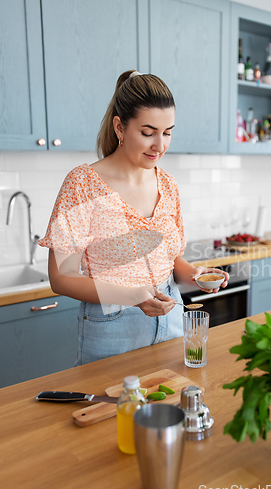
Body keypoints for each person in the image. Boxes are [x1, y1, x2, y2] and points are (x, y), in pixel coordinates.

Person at [38, 70, 229, 365]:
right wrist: (133, 296)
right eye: (148, 132)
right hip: (112, 328)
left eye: (167, 132)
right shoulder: (83, 184)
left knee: (174, 405)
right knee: (113, 410)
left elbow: (170, 261)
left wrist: (195, 275)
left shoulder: (167, 184)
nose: (160, 145)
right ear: (120, 127)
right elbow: (61, 277)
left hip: (173, 317)